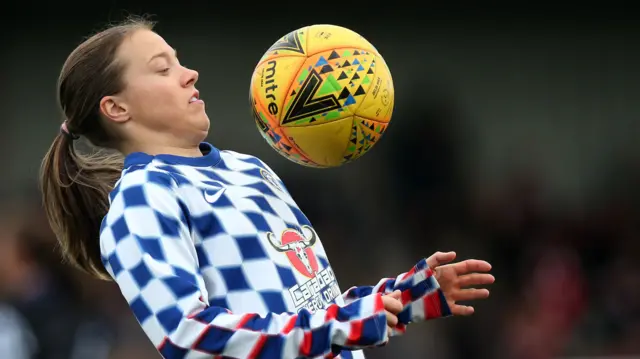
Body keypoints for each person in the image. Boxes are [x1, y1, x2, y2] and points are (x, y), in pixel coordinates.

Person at [39, 17, 495, 359]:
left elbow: (313, 304)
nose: (189, 74)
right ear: (116, 108)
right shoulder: (141, 202)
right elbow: (189, 336)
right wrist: (346, 323)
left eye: (179, 61)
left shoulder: (248, 168)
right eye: (162, 69)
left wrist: (406, 297)